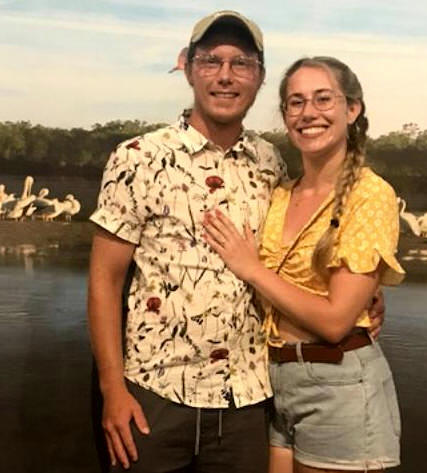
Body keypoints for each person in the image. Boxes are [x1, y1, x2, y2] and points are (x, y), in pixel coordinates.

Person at [88, 10, 385, 473]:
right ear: (188, 68)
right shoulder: (138, 158)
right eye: (211, 61)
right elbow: (104, 280)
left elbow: (297, 257)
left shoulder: (270, 163)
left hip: (248, 401)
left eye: (241, 63)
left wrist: (362, 294)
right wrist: (112, 388)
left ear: (259, 77)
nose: (225, 76)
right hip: (153, 394)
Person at [203, 56, 405, 472]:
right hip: (277, 380)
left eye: (323, 99)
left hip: (338, 385)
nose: (308, 112)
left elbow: (334, 322)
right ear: (285, 116)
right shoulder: (280, 193)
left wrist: (251, 269)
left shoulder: (369, 195)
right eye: (296, 102)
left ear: (352, 109)